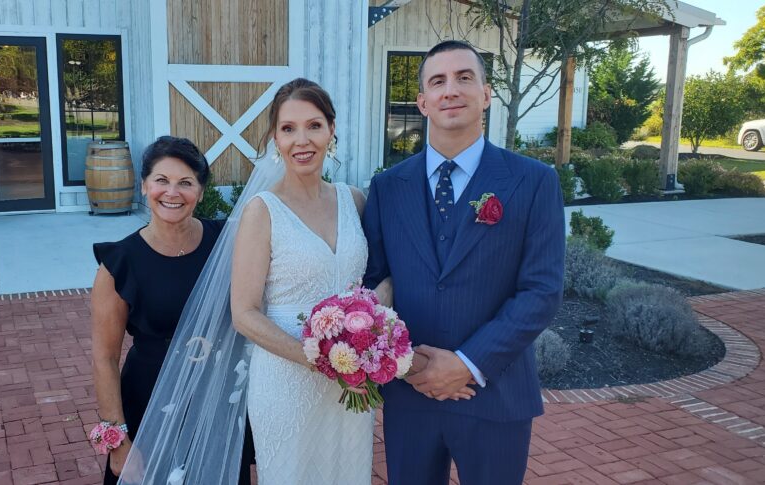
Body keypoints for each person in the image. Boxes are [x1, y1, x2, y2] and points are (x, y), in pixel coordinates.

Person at [362, 40, 565, 485]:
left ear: (486, 94)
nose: (451, 90)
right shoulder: (387, 187)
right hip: (411, 396)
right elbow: (374, 287)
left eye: (464, 77)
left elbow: (542, 290)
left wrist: (468, 363)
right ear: (423, 103)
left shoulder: (534, 182)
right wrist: (409, 364)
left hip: (494, 393)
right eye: (438, 81)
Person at [229, 78, 373, 484]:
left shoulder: (354, 200)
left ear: (331, 130)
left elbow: (375, 282)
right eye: (288, 128)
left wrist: (375, 340)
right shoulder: (262, 211)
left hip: (351, 383)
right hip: (286, 381)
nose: (301, 140)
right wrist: (321, 360)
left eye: (314, 125)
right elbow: (243, 313)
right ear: (275, 138)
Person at [89, 136, 254, 485]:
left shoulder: (227, 242)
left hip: (218, 400)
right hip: (151, 401)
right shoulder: (120, 263)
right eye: (161, 180)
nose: (172, 193)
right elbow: (105, 358)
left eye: (186, 183)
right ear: (144, 185)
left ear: (201, 191)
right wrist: (117, 439)